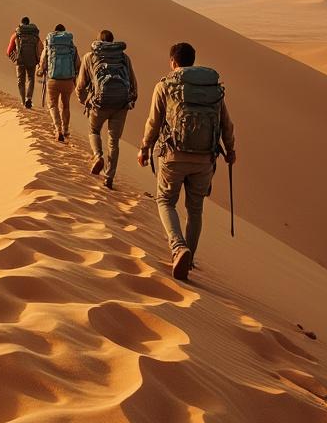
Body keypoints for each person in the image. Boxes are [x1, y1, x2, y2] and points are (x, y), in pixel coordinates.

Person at [136, 42, 236, 281]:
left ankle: (179, 247)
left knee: (165, 201)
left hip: (174, 156)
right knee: (195, 210)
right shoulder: (213, 90)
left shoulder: (165, 85)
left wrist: (145, 148)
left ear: (173, 62)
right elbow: (226, 124)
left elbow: (153, 122)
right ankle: (188, 260)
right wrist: (230, 150)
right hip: (204, 159)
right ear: (193, 61)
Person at [76, 29, 137, 190]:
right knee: (114, 141)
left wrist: (84, 101)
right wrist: (131, 100)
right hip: (120, 105)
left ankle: (97, 156)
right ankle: (109, 177)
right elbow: (132, 82)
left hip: (99, 104)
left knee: (94, 130)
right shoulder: (124, 58)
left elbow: (81, 84)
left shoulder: (89, 57)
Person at [37, 24, 79, 142]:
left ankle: (58, 128)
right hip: (68, 80)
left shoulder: (50, 45)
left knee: (52, 104)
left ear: (55, 32)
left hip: (53, 80)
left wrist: (40, 70)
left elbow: (43, 61)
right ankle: (65, 130)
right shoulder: (71, 46)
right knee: (65, 105)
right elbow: (78, 64)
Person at [5, 17, 42, 109]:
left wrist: (14, 59)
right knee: (31, 79)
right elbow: (41, 49)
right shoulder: (35, 36)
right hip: (32, 61)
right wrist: (39, 60)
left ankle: (23, 101)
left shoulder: (16, 35)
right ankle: (28, 98)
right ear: (29, 24)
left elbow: (9, 51)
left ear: (21, 24)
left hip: (20, 61)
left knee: (20, 81)